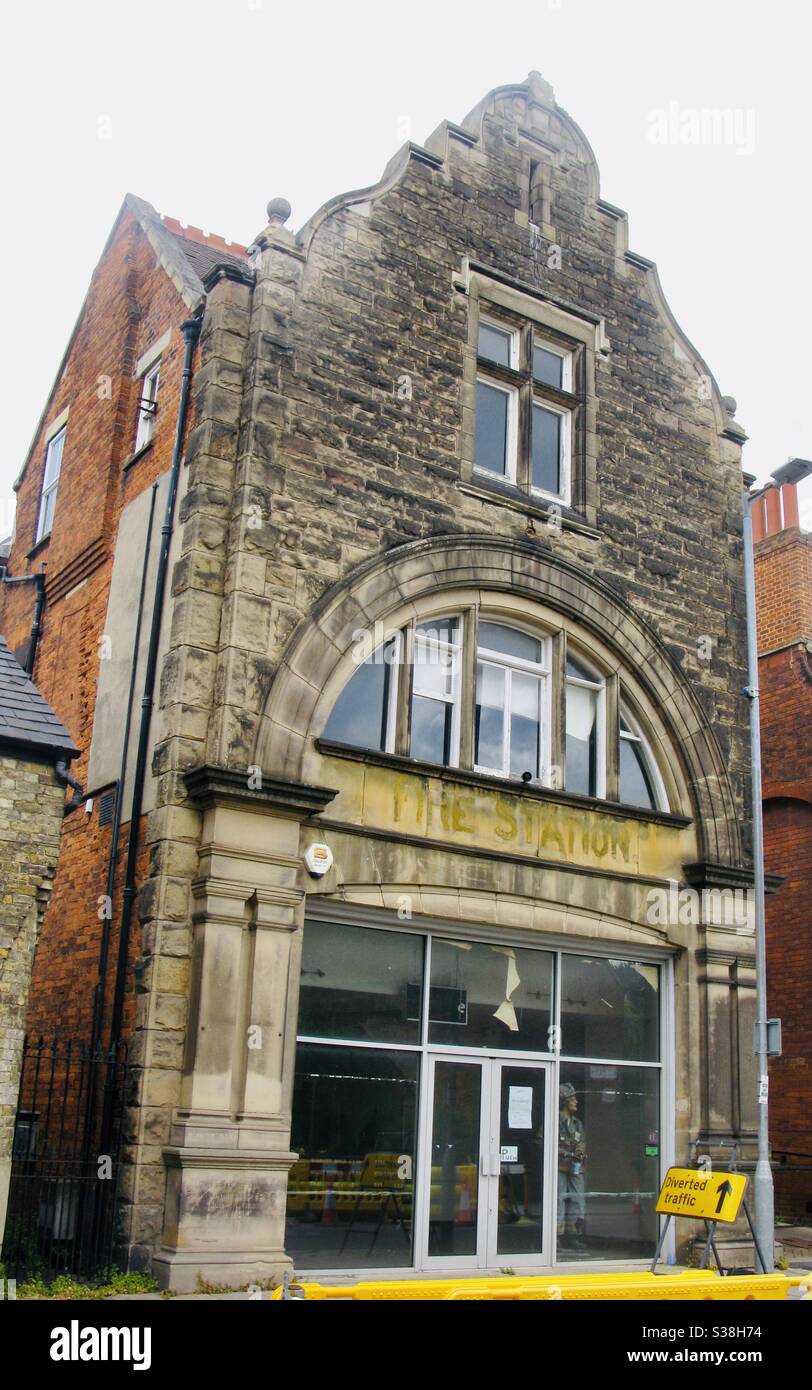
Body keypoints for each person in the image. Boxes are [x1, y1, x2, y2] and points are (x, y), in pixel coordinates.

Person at [558, 1082, 587, 1251]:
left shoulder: (577, 1123)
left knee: (578, 1200)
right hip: (559, 1167)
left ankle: (573, 1235)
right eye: (572, 1099)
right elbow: (542, 1142)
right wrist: (566, 1154)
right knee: (558, 1200)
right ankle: (556, 1237)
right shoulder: (554, 1121)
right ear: (564, 1102)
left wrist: (579, 1153)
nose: (576, 1102)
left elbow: (581, 1141)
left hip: (575, 1167)